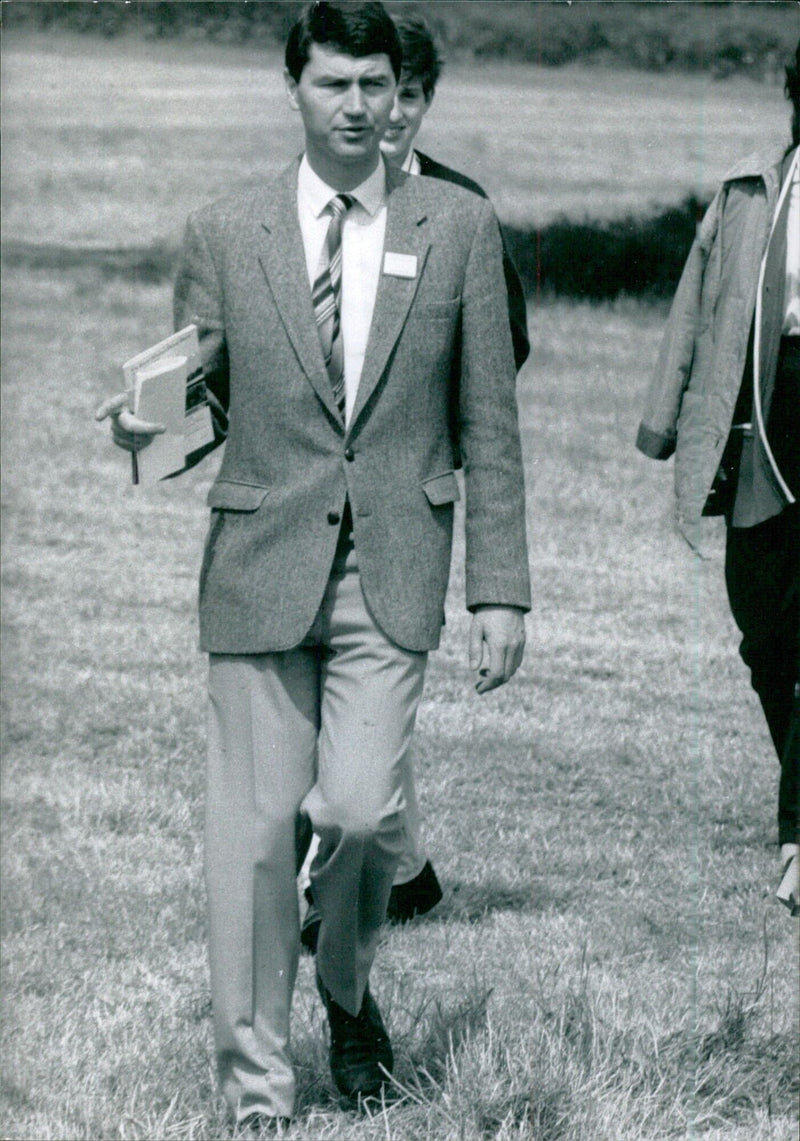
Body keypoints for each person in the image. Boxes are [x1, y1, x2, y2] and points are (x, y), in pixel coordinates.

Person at [96, 1, 531, 1128]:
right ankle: (253, 1090)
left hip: (389, 570)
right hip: (256, 562)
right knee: (249, 844)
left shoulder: (459, 227)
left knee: (353, 815)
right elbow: (202, 399)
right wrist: (141, 426)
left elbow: (488, 423)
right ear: (293, 89)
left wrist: (497, 590)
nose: (353, 106)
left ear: (399, 98)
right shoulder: (225, 228)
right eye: (331, 84)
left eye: (372, 86)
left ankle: (342, 988)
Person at [299, 10, 531, 956]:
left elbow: (499, 355)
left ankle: (354, 904)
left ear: (420, 100)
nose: (386, 116)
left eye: (405, 96)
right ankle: (405, 868)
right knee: (336, 721)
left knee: (366, 715)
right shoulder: (306, 204)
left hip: (405, 497)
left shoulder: (463, 211)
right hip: (303, 502)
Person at [636, 39, 800, 918]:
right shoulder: (749, 193)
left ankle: (796, 832)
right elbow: (694, 309)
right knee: (764, 630)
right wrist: (664, 424)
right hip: (766, 413)